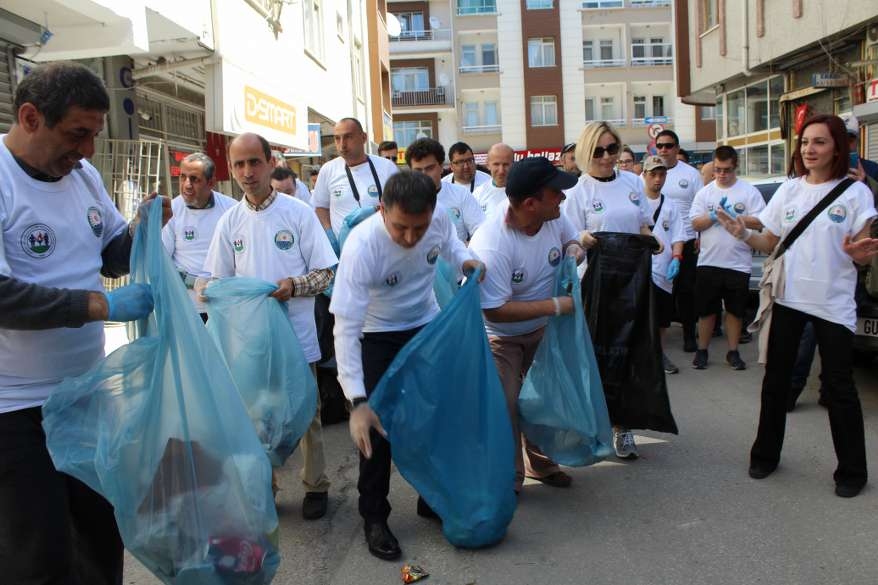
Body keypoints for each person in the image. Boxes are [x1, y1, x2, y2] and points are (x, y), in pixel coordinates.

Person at [0, 62, 170, 585]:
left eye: (95, 135)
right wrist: (97, 307)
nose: (89, 151)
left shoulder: (84, 177)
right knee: (38, 553)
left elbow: (111, 254)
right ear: (30, 117)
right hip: (13, 408)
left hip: (85, 394)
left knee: (100, 534)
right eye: (78, 134)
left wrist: (140, 232)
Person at [717, 114, 878, 498]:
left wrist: (861, 254)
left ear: (838, 147)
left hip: (834, 305)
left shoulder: (855, 194)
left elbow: (865, 249)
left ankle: (852, 472)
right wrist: (744, 234)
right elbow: (771, 241)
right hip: (790, 299)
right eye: (805, 142)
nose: (809, 149)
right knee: (775, 382)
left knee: (840, 389)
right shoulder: (789, 190)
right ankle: (765, 455)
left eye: (819, 142)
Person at [330, 171, 482, 560]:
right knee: (375, 433)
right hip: (375, 334)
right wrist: (357, 401)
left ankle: (430, 497)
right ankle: (374, 517)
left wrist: (465, 261)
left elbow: (451, 245)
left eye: (420, 227)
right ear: (382, 211)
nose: (411, 238)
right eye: (401, 228)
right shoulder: (363, 246)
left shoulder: (439, 221)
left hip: (424, 326)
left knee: (432, 418)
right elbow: (345, 327)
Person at [204, 132, 338, 519]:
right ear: (231, 168)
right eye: (239, 164)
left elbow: (326, 273)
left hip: (295, 334)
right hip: (249, 342)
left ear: (269, 161)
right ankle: (267, 485)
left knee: (305, 411)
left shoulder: (297, 213)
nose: (247, 172)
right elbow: (215, 282)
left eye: (254, 162)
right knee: (257, 416)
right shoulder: (230, 222)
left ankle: (316, 485)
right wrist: (208, 290)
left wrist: (293, 286)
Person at [469, 156, 584, 493]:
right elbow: (495, 311)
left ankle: (542, 464)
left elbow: (570, 239)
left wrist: (575, 250)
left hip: (541, 331)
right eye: (556, 193)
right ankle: (509, 477)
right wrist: (554, 305)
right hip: (498, 338)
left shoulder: (553, 219)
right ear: (531, 203)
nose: (562, 198)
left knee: (541, 400)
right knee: (506, 406)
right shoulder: (493, 242)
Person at [565, 121, 662, 460]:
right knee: (596, 356)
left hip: (633, 283)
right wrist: (583, 239)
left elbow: (642, 223)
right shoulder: (578, 193)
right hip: (597, 285)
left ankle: (623, 426)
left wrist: (653, 239)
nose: (607, 157)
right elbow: (569, 242)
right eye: (599, 151)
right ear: (585, 152)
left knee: (631, 352)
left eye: (612, 149)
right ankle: (592, 424)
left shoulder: (633, 183)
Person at [689, 146, 765, 371]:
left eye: (727, 170)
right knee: (706, 311)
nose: (722, 174)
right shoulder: (705, 193)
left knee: (734, 311)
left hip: (737, 262)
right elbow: (694, 222)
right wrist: (714, 216)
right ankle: (702, 351)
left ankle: (733, 352)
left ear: (736, 167)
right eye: (718, 170)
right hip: (709, 261)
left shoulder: (748, 191)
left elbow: (761, 220)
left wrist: (737, 216)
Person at [162, 153, 236, 322]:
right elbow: (162, 261)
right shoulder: (170, 211)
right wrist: (192, 282)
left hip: (225, 307)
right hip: (187, 309)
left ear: (211, 183)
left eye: (195, 179)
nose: (187, 185)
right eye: (183, 177)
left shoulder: (231, 210)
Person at [312, 118, 399, 247]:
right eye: (337, 138)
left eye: (348, 137)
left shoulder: (387, 167)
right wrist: (329, 234)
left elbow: (401, 204)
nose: (342, 145)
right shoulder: (328, 169)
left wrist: (375, 210)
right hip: (343, 250)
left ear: (363, 137)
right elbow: (320, 207)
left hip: (381, 247)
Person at [655, 129, 703, 352]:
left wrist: (699, 237)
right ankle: (656, 339)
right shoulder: (649, 172)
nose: (664, 149)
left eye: (669, 145)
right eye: (660, 145)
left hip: (686, 239)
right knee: (659, 291)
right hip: (658, 243)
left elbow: (699, 206)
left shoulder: (691, 174)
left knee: (686, 291)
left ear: (676, 147)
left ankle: (688, 335)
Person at [641, 156, 687, 375]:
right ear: (644, 175)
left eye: (662, 174)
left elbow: (678, 235)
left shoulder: (670, 205)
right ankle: (640, 357)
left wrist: (677, 258)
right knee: (640, 316)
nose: (658, 179)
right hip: (641, 270)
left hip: (663, 271)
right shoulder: (636, 201)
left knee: (662, 319)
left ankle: (659, 354)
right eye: (653, 174)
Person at [405, 137, 485, 242]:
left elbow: (481, 232)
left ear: (441, 166)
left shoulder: (460, 194)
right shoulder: (402, 200)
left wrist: (465, 249)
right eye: (418, 170)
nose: (424, 175)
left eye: (429, 168)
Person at [473, 143, 514, 215]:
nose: (501, 170)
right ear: (488, 165)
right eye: (496, 164)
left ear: (513, 165)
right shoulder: (478, 194)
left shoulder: (525, 192)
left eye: (506, 164)